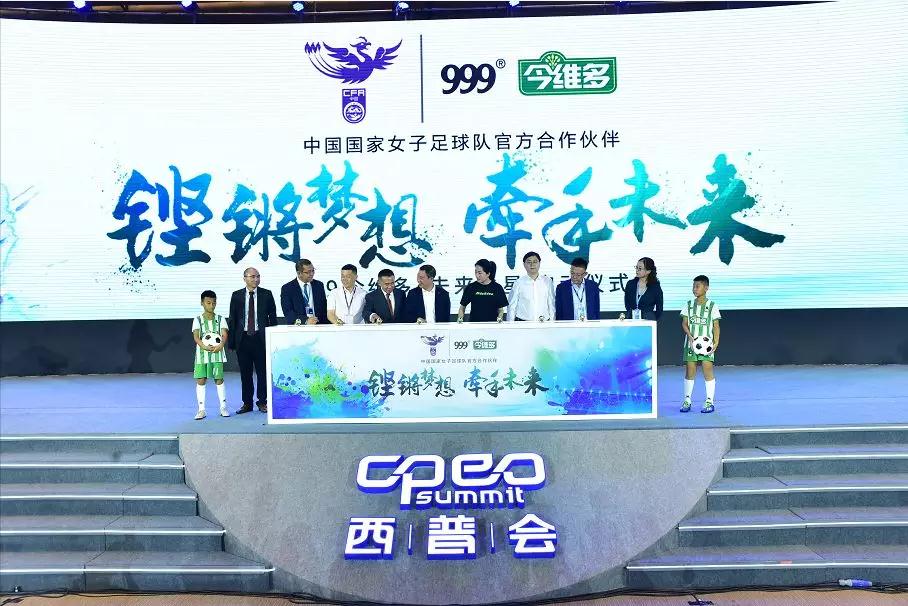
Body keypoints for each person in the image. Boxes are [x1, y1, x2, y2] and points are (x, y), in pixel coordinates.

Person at [227, 267, 278, 414]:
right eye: (252, 276)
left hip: (260, 339)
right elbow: (233, 319)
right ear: (245, 278)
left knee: (262, 373)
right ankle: (247, 403)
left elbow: (273, 318)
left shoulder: (266, 294)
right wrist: (232, 342)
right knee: (245, 374)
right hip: (243, 339)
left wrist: (273, 338)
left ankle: (262, 402)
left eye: (258, 276)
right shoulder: (236, 295)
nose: (256, 279)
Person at [680, 275, 721, 414]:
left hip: (707, 345)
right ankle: (687, 400)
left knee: (707, 370)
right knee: (690, 371)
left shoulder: (712, 306)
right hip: (691, 345)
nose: (694, 289)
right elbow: (684, 323)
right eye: (693, 286)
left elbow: (716, 326)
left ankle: (709, 401)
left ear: (706, 288)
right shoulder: (688, 305)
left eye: (697, 286)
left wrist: (716, 342)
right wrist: (690, 336)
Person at [191, 290, 229, 420]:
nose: (211, 305)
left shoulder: (220, 319)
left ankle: (223, 407)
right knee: (201, 380)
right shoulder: (197, 320)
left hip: (217, 354)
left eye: (214, 303)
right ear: (202, 303)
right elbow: (196, 337)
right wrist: (204, 346)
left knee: (219, 379)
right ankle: (201, 410)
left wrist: (221, 344)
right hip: (202, 355)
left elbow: (224, 334)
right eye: (208, 303)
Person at [506, 251, 555, 322]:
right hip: (523, 323)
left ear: (539, 263)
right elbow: (512, 306)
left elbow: (551, 304)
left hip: (543, 323)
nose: (532, 265)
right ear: (524, 264)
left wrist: (552, 323)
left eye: (535, 262)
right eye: (529, 262)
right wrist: (510, 324)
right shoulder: (518, 283)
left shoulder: (547, 281)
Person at [280, 259, 328, 325]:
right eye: (308, 272)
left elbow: (324, 308)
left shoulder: (319, 285)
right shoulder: (287, 288)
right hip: (299, 326)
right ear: (299, 273)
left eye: (313, 270)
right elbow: (288, 312)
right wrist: (305, 321)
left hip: (319, 325)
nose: (312, 274)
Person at [621, 257, 664, 321]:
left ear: (648, 271)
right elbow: (627, 303)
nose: (637, 270)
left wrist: (651, 318)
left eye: (640, 268)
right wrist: (631, 313)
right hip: (631, 320)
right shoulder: (630, 284)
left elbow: (659, 309)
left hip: (648, 321)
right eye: (636, 267)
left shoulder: (655, 287)